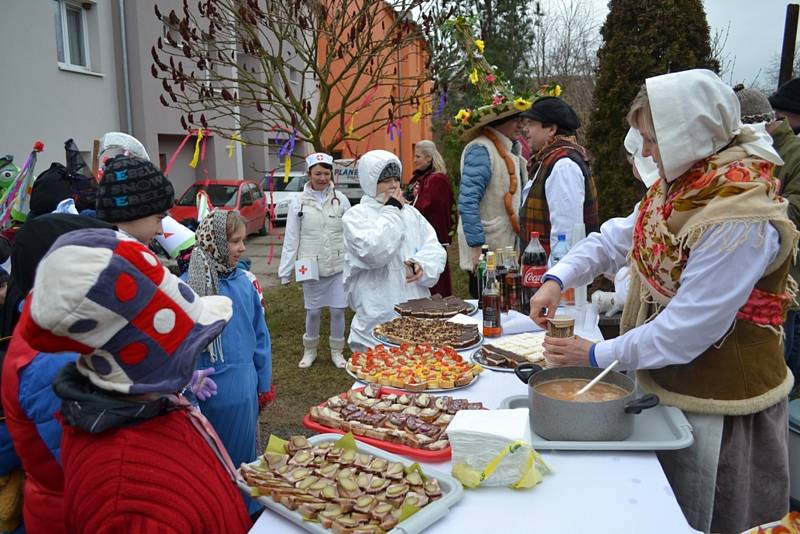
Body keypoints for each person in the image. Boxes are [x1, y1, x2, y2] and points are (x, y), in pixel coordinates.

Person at [531, 69, 795, 533]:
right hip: (671, 383)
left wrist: (595, 354)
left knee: (710, 513)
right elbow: (614, 239)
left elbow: (689, 328)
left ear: (689, 134)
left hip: (722, 399)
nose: (646, 151)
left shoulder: (737, 213)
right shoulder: (684, 185)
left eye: (651, 139)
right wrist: (557, 277)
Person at [18, 228, 251, 532]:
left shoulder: (151, 406)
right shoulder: (124, 500)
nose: (196, 355)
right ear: (152, 366)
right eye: (188, 345)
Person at [186, 209, 272, 516]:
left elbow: (260, 335)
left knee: (244, 457)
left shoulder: (244, 284)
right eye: (235, 241)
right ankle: (218, 513)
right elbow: (181, 345)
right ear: (215, 244)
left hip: (243, 386)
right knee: (212, 461)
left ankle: (247, 511)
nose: (242, 248)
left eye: (243, 240)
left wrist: (264, 382)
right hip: (207, 392)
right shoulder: (188, 288)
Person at [342, 150, 446, 352]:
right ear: (370, 182)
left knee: (417, 372)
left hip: (416, 311)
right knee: (378, 376)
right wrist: (391, 210)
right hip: (377, 315)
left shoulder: (411, 214)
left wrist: (422, 264)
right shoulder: (355, 217)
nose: (393, 185)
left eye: (396, 179)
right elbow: (375, 252)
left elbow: (434, 247)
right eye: (385, 180)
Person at [736, 84, 800, 392]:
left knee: (776, 367)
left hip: (783, 279)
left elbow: (794, 215)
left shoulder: (794, 154)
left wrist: (751, 200)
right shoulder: (748, 154)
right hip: (748, 280)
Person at [279, 152, 351, 368]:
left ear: (331, 174)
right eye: (317, 173)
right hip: (311, 267)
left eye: (326, 173)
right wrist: (285, 271)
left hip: (338, 265)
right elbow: (291, 237)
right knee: (314, 311)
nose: (321, 178)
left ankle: (337, 352)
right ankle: (309, 351)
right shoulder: (298, 203)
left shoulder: (342, 200)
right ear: (309, 174)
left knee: (338, 310)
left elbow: (351, 233)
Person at [456, 112, 528, 297]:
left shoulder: (509, 151)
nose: (521, 125)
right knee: (487, 308)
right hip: (487, 251)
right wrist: (477, 246)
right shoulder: (481, 149)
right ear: (499, 121)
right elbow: (468, 201)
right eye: (516, 120)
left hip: (504, 253)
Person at [518, 96, 599, 253]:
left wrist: (556, 276)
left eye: (532, 124)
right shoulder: (549, 159)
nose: (525, 129)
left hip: (555, 273)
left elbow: (566, 237)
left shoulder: (564, 166)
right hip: (541, 273)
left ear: (551, 129)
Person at [405, 140, 454, 297]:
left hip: (433, 240)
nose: (414, 160)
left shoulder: (436, 180)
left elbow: (425, 207)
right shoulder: (423, 178)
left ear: (428, 158)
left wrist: (406, 205)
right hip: (421, 239)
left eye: (418, 156)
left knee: (435, 285)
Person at [95, 154, 175, 244]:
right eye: (158, 219)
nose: (160, 231)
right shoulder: (119, 255)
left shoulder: (99, 248)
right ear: (129, 213)